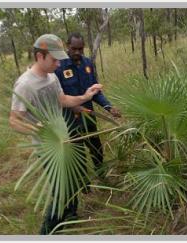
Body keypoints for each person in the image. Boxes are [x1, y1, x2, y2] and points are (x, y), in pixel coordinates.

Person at [9, 34, 103, 235]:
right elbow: (14, 120)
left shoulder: (52, 77)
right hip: (48, 147)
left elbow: (62, 99)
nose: (59, 64)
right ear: (39, 56)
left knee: (75, 179)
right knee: (62, 189)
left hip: (66, 138)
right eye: (54, 59)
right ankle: (47, 231)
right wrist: (37, 129)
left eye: (60, 59)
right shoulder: (25, 85)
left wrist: (85, 96)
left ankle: (71, 214)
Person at [54, 32, 121, 181]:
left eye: (80, 49)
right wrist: (72, 107)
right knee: (78, 153)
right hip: (70, 120)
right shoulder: (58, 66)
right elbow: (56, 97)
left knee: (96, 149)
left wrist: (109, 107)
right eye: (74, 49)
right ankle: (83, 183)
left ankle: (101, 175)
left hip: (89, 116)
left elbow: (95, 91)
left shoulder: (87, 64)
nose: (77, 52)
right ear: (67, 46)